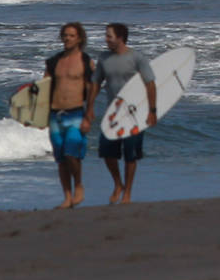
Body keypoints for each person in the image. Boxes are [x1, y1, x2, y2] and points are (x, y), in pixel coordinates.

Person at [86, 23, 157, 204]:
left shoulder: (137, 58)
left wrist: (152, 111)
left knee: (130, 154)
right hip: (113, 113)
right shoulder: (104, 58)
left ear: (120, 37)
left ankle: (128, 193)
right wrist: (90, 107)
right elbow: (96, 83)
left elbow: (150, 84)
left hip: (135, 114)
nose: (106, 39)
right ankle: (118, 184)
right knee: (107, 152)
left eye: (109, 36)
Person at [45, 22, 94, 209]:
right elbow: (43, 90)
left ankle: (78, 185)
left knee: (71, 152)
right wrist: (38, 116)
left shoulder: (85, 61)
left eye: (71, 35)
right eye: (65, 35)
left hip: (75, 113)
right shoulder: (54, 62)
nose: (67, 38)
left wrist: (89, 114)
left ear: (79, 38)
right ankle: (67, 196)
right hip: (55, 114)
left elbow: (92, 90)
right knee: (60, 158)